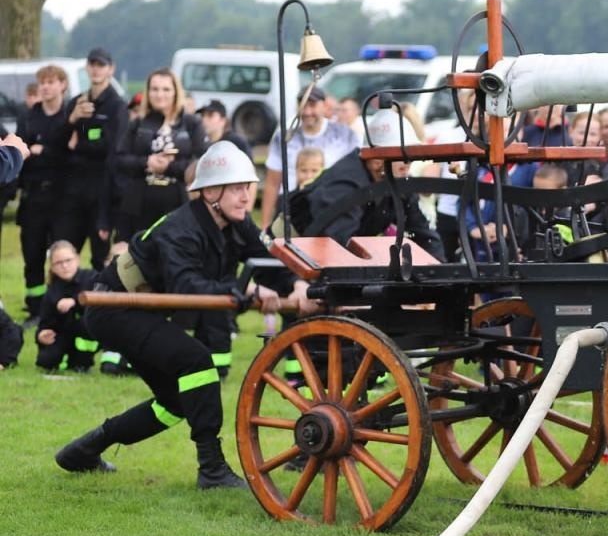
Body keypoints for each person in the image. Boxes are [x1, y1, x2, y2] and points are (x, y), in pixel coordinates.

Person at [54, 141, 311, 487]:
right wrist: (246, 291)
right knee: (198, 362)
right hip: (113, 308)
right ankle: (212, 469)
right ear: (210, 193)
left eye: (248, 187)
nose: (246, 196)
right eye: (236, 188)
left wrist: (295, 284)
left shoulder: (236, 223)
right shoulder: (181, 228)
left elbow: (268, 263)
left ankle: (86, 449)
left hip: (140, 310)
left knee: (174, 403)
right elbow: (187, 284)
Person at [298, 109, 444, 259]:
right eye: (403, 157)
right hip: (292, 259)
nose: (408, 163)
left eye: (410, 157)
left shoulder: (398, 182)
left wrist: (441, 272)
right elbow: (340, 246)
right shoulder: (346, 185)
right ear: (376, 160)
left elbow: (424, 234)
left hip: (326, 260)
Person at [109, 68, 204, 250]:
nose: (160, 94)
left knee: (176, 254)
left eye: (166, 89)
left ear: (176, 92)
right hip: (139, 204)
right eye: (155, 89)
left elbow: (200, 162)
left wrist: (168, 167)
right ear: (148, 92)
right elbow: (119, 160)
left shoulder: (191, 123)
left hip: (179, 202)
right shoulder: (137, 123)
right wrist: (147, 162)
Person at [14, 64, 73, 322]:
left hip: (62, 199)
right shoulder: (28, 118)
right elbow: (21, 155)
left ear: (63, 85)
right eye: (42, 83)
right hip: (34, 198)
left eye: (51, 82)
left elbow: (72, 155)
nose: (45, 87)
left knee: (61, 254)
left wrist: (45, 151)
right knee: (33, 254)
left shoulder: (69, 118)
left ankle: (61, 305)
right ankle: (36, 308)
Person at [60, 46, 128, 269]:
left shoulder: (117, 106)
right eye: (93, 65)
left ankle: (101, 301)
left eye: (101, 65)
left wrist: (78, 145)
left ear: (111, 69)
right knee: (67, 248)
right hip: (74, 188)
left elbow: (111, 145)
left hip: (101, 190)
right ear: (87, 67)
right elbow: (60, 142)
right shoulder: (77, 103)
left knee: (100, 254)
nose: (96, 70)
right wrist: (73, 119)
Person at [261, 85, 359, 230]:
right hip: (289, 206)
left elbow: (356, 176)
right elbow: (272, 183)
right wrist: (265, 224)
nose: (307, 112)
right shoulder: (284, 137)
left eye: (312, 105)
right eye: (303, 106)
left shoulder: (344, 135)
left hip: (329, 206)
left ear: (324, 106)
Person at [35, 240, 98, 373]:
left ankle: (83, 362)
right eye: (59, 263)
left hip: (90, 332)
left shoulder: (91, 278)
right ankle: (66, 361)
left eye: (68, 260)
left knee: (84, 326)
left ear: (77, 260)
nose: (64, 266)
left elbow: (99, 304)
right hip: (64, 334)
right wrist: (41, 335)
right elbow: (45, 322)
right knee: (46, 360)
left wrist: (76, 302)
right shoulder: (52, 291)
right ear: (52, 267)